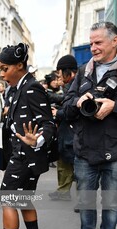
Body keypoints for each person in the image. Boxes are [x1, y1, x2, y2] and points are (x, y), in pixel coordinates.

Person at [0, 43, 55, 229]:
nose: (1, 73)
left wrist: (38, 140)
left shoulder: (31, 88)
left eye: (5, 67)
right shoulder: (18, 88)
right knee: (24, 201)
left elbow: (49, 124)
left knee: (8, 201)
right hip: (22, 157)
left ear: (19, 66)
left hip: (25, 158)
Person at [64, 21, 117, 229]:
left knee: (111, 202)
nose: (93, 47)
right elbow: (65, 106)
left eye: (98, 42)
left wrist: (114, 105)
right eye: (91, 42)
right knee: (85, 200)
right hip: (84, 151)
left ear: (114, 41)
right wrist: (77, 102)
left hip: (114, 152)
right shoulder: (84, 71)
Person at [48, 55, 78, 201]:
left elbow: (74, 110)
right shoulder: (70, 85)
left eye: (60, 74)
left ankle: (83, 200)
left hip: (75, 134)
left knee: (79, 169)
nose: (59, 78)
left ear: (68, 71)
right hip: (66, 133)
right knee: (64, 164)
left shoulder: (78, 84)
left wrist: (58, 113)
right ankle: (63, 192)